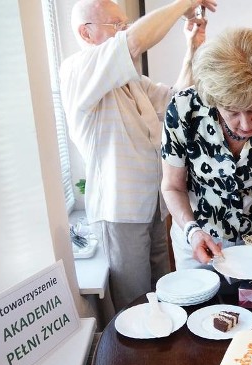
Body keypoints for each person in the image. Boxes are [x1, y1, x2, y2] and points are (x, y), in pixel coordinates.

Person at [60, 0, 217, 311]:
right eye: (116, 24)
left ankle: (166, 358)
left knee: (165, 292)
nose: (126, 29)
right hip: (120, 214)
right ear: (86, 33)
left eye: (125, 23)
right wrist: (185, 3)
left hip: (152, 208)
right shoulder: (78, 69)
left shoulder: (130, 80)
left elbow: (176, 97)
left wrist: (192, 48)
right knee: (137, 306)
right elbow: (134, 41)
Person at [161, 27, 252, 271]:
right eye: (233, 111)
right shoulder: (184, 109)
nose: (246, 124)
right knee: (202, 306)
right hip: (199, 233)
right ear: (214, 101)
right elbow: (173, 186)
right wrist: (192, 231)